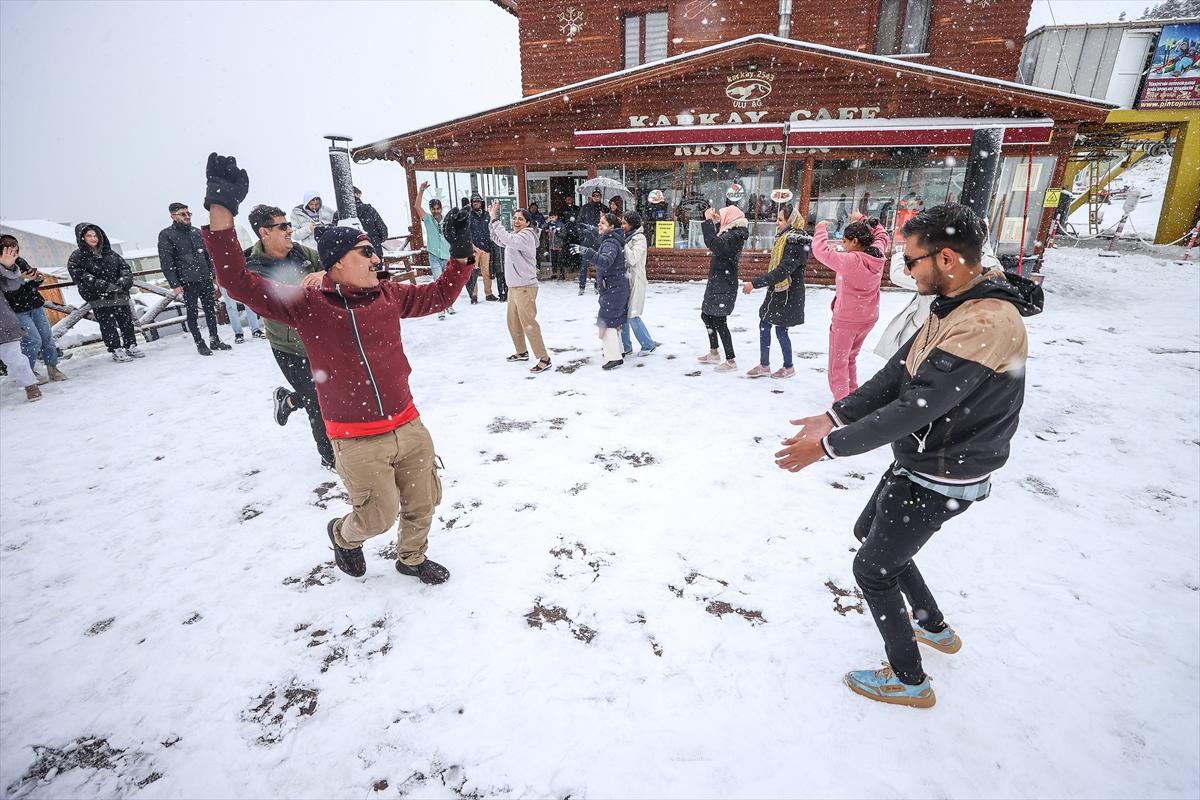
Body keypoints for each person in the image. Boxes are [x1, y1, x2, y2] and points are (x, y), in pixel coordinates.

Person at [773, 203, 1043, 708]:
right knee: (869, 538)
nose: (903, 268)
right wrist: (834, 417)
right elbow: (900, 373)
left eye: (912, 259)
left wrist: (828, 448)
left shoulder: (985, 322)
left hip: (945, 469)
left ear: (946, 258)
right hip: (927, 459)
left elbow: (912, 409)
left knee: (872, 570)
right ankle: (933, 627)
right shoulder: (957, 303)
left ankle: (909, 681)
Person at [201, 153, 475, 582]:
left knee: (425, 501)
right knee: (376, 517)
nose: (375, 259)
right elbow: (236, 280)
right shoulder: (310, 305)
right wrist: (221, 210)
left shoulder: (388, 296)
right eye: (366, 252)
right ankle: (343, 536)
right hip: (355, 435)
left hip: (408, 422)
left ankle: (412, 557)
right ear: (337, 263)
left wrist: (460, 254)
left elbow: (438, 296)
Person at [243, 203, 335, 469]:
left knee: (327, 392)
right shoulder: (253, 267)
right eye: (282, 226)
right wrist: (308, 286)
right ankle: (329, 457)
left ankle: (290, 399)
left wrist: (322, 275)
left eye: (289, 225)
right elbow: (276, 298)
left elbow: (332, 273)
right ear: (264, 232)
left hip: (319, 337)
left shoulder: (304, 254)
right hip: (289, 345)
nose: (289, 230)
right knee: (318, 402)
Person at [811, 211, 888, 400]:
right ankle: (852, 396)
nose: (843, 246)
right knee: (850, 358)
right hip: (868, 318)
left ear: (854, 241)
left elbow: (820, 251)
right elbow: (883, 235)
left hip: (847, 320)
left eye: (845, 241)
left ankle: (842, 403)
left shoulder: (851, 260)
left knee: (838, 364)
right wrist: (864, 220)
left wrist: (820, 228)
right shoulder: (878, 253)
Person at [741, 203, 810, 379]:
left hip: (788, 293)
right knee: (764, 324)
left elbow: (783, 271)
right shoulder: (785, 239)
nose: (776, 223)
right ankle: (764, 365)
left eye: (780, 220)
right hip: (778, 292)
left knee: (780, 329)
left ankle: (789, 367)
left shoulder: (795, 242)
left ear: (790, 221)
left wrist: (755, 283)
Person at [158, 202, 232, 355]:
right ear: (173, 216)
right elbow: (166, 262)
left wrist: (212, 274)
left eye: (188, 213)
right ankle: (199, 342)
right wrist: (175, 283)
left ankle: (214, 339)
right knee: (192, 313)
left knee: (210, 310)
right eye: (182, 214)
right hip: (187, 282)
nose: (187, 216)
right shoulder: (166, 235)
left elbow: (207, 255)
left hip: (204, 278)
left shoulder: (196, 232)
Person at [489, 201, 551, 373]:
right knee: (513, 321)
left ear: (528, 223)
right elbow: (499, 238)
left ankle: (544, 358)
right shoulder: (516, 236)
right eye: (515, 218)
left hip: (525, 287)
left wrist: (495, 219)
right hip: (514, 287)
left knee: (528, 323)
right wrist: (491, 219)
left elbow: (507, 239)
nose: (516, 221)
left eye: (520, 219)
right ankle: (521, 351)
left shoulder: (526, 236)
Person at [67, 223, 144, 363]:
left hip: (119, 294)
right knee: (107, 324)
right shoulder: (77, 257)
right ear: (82, 238)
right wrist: (106, 286)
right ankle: (115, 349)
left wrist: (122, 283)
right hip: (98, 296)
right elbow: (82, 277)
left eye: (95, 235)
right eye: (89, 235)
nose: (93, 238)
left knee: (126, 321)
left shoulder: (110, 253)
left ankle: (131, 345)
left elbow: (125, 269)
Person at [0, 235, 67, 382]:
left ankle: (52, 367)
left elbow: (29, 284)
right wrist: (23, 280)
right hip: (17, 310)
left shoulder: (20, 261)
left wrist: (36, 279)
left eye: (15, 247)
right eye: (8, 247)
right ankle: (28, 372)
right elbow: (8, 291)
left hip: (34, 304)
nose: (13, 250)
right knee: (32, 340)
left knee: (47, 338)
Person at [697, 204, 749, 372]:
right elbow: (719, 239)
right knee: (707, 315)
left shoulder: (734, 236)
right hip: (718, 281)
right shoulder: (731, 233)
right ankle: (714, 352)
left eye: (723, 216)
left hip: (724, 284)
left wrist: (708, 221)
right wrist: (717, 223)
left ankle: (731, 360)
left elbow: (714, 243)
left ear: (730, 220)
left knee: (719, 320)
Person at [574, 212, 629, 370]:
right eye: (599, 222)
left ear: (611, 227)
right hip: (615, 288)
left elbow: (605, 262)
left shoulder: (610, 242)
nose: (599, 225)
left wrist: (586, 252)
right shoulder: (612, 239)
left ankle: (614, 358)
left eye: (603, 223)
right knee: (615, 320)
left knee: (606, 322)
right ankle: (618, 351)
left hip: (613, 289)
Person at [0, 243, 44, 401]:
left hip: (1, 321)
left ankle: (30, 385)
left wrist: (8, 266)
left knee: (13, 356)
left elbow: (12, 285)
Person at [618, 212, 659, 357]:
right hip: (625, 280)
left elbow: (633, 258)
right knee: (623, 315)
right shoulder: (627, 237)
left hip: (636, 279)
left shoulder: (640, 238)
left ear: (632, 224)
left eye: (625, 223)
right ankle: (626, 347)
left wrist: (622, 243)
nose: (622, 226)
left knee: (632, 315)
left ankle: (648, 344)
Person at [415, 182, 456, 320]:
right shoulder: (428, 220)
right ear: (431, 209)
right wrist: (421, 191)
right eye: (433, 209)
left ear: (441, 209)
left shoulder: (447, 220)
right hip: (434, 255)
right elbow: (416, 206)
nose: (436, 211)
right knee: (438, 282)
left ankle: (449, 304)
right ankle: (441, 308)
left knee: (448, 282)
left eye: (438, 208)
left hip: (447, 255)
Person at [468, 193, 497, 301]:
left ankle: (488, 293)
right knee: (472, 272)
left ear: (481, 202)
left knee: (486, 272)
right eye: (474, 201)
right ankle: (473, 295)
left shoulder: (486, 215)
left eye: (478, 201)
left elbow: (492, 229)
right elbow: (465, 233)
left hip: (486, 248)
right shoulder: (468, 215)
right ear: (471, 203)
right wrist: (472, 246)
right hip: (472, 250)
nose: (476, 203)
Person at [342, 186, 389, 251]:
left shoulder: (339, 214)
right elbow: (383, 231)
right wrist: (375, 241)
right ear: (356, 194)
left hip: (350, 254)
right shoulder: (369, 210)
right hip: (373, 250)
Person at [527, 202, 547, 269]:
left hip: (538, 236)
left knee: (538, 251)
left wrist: (542, 226)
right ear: (529, 208)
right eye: (532, 208)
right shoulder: (527, 215)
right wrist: (532, 227)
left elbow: (543, 223)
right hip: (529, 236)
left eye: (535, 208)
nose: (533, 209)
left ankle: (538, 266)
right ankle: (531, 266)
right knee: (530, 252)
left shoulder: (539, 215)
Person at [548, 212, 566, 280]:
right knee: (553, 260)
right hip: (552, 245)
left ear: (556, 216)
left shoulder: (560, 224)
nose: (551, 219)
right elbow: (544, 228)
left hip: (559, 245)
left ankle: (562, 274)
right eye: (550, 218)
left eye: (552, 217)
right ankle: (554, 273)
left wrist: (558, 232)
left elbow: (564, 235)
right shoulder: (549, 224)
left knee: (560, 261)